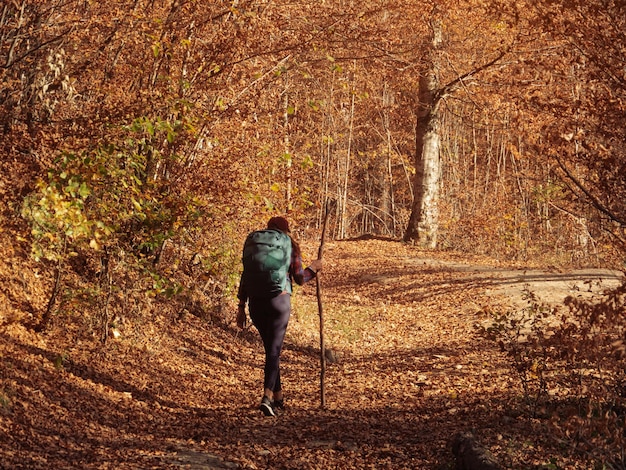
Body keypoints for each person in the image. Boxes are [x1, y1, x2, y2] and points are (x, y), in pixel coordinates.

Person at [236, 216, 322, 416]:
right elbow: (300, 278)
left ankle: (278, 397)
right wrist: (314, 269)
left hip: (255, 304)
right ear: (286, 230)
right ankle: (266, 397)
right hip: (279, 301)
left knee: (271, 350)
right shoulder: (289, 245)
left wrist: (241, 306)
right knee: (274, 351)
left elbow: (245, 275)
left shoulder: (256, 245)